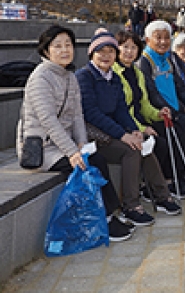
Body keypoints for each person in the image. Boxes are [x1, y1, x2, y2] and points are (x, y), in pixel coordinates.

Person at [17, 25, 133, 241]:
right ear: (46, 51)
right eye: (57, 46)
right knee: (92, 163)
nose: (64, 50)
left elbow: (77, 116)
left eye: (68, 45)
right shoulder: (40, 78)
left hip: (63, 142)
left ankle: (107, 214)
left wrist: (81, 143)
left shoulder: (69, 76)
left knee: (94, 157)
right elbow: (48, 121)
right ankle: (106, 219)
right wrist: (72, 151)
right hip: (42, 147)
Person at [76, 28, 182, 226]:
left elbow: (121, 110)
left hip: (112, 131)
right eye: (101, 51)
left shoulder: (114, 78)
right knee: (132, 150)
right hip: (91, 136)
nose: (106, 56)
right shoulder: (85, 76)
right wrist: (124, 135)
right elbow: (91, 114)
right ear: (92, 53)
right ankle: (130, 206)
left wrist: (133, 130)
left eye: (110, 52)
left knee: (142, 143)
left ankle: (161, 196)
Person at [112, 30, 185, 199]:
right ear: (116, 49)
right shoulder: (114, 73)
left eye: (133, 48)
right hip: (124, 124)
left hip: (139, 120)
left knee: (173, 130)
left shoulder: (137, 72)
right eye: (125, 47)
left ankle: (169, 180)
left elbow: (145, 104)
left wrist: (158, 113)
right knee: (159, 143)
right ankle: (154, 186)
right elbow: (121, 110)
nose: (129, 51)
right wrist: (141, 128)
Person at [137, 20, 185, 179]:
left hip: (174, 109)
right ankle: (176, 173)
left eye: (167, 38)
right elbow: (152, 93)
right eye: (158, 38)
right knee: (181, 129)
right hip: (157, 113)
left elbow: (180, 87)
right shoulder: (144, 62)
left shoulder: (168, 59)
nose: (163, 42)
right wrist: (174, 113)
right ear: (147, 40)